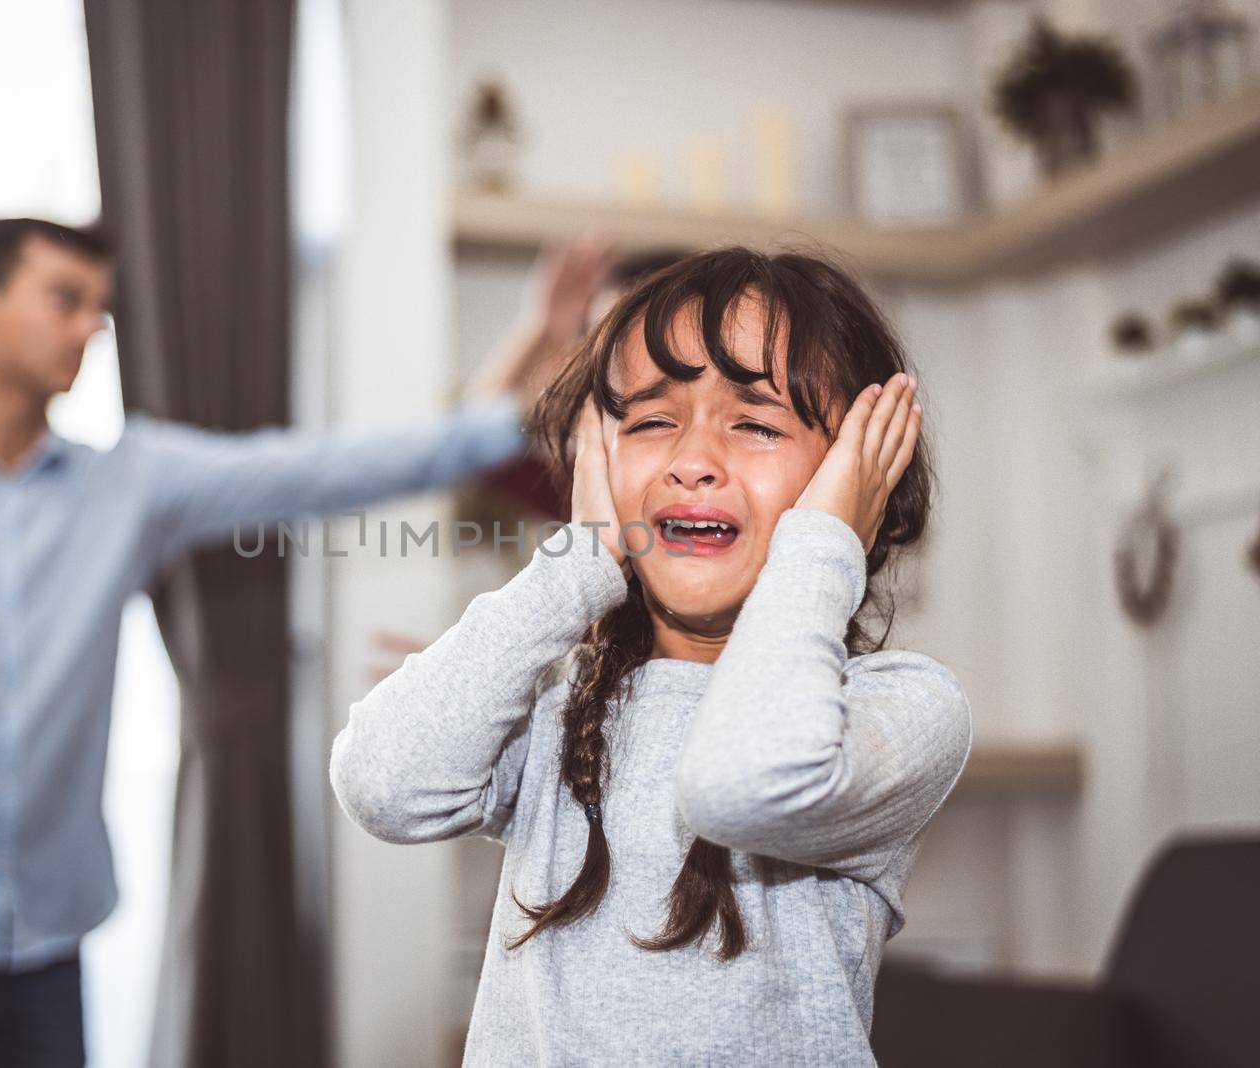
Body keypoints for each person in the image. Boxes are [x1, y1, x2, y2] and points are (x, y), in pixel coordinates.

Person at [0, 217, 582, 1066]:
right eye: (65, 298)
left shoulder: (132, 483)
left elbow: (324, 466)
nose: (91, 325)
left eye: (99, 307)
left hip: (39, 956)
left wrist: (532, 387)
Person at [330, 246, 973, 1065]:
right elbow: (383, 784)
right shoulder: (562, 708)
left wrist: (824, 543)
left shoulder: (900, 708)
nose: (692, 459)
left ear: (860, 488)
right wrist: (581, 564)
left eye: (756, 423)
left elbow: (740, 784)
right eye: (651, 421)